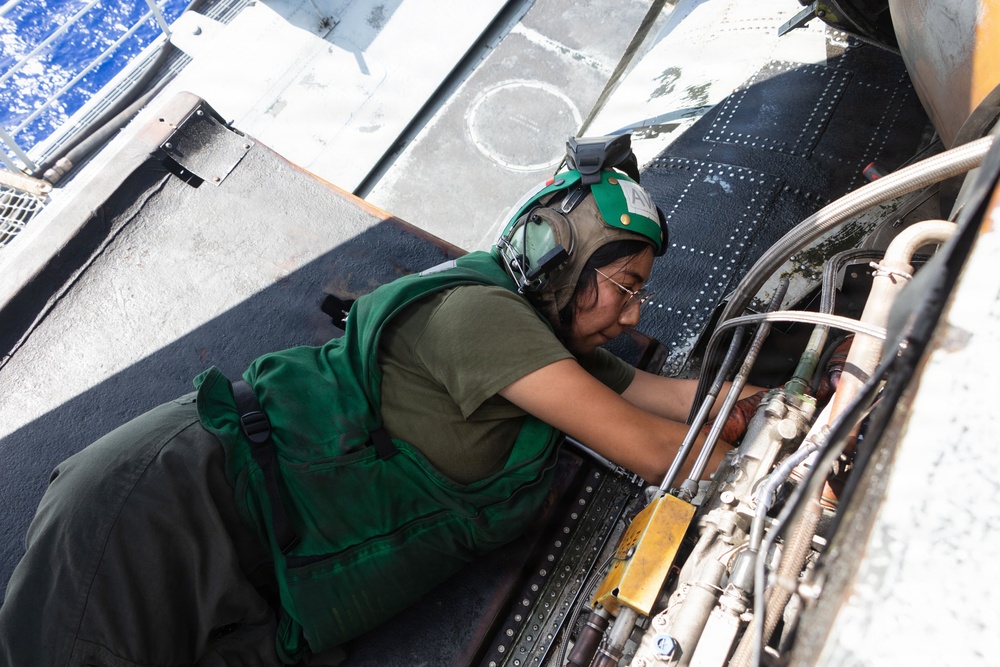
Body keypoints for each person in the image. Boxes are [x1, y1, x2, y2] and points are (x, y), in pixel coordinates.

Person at [0, 137, 760, 666]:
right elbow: (660, 448)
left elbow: (673, 401)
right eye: (625, 286)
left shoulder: (549, 344)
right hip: (164, 514)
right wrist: (782, 477)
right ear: (558, 260)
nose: (634, 316)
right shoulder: (482, 318)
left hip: (260, 577)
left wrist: (763, 402)